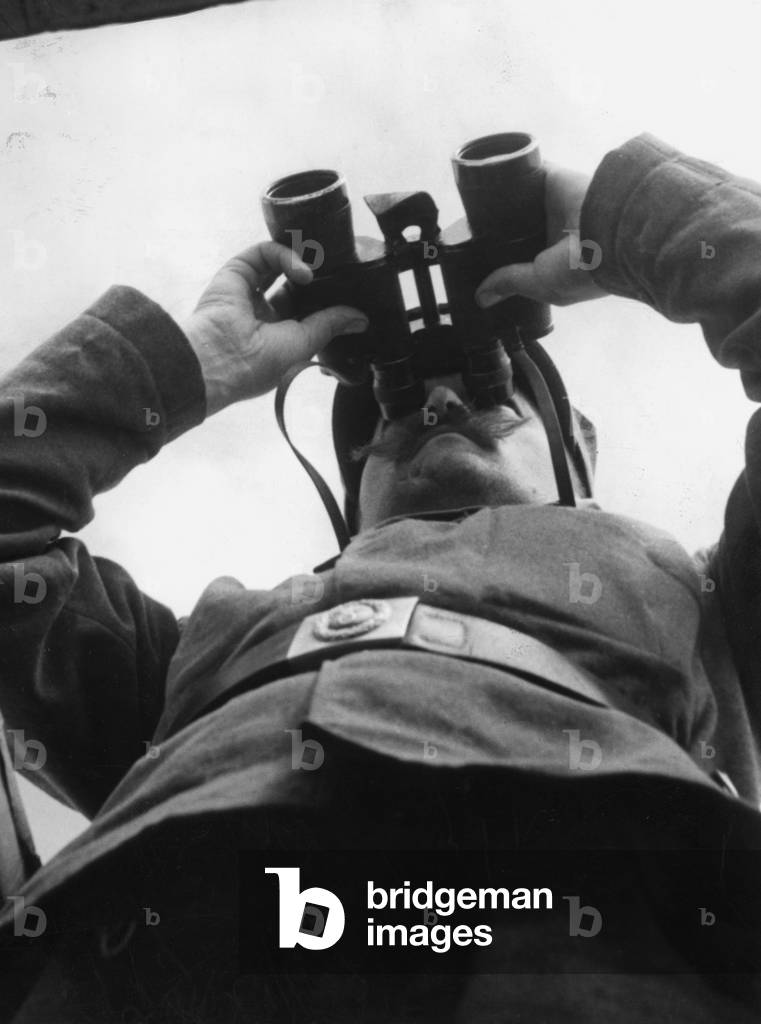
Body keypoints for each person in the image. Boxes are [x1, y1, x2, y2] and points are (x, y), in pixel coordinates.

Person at [1, 132, 761, 1023]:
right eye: (387, 411)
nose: (435, 404)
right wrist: (190, 363)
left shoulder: (708, 599)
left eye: (493, 390)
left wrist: (632, 216)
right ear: (350, 493)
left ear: (578, 459)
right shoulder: (211, 643)